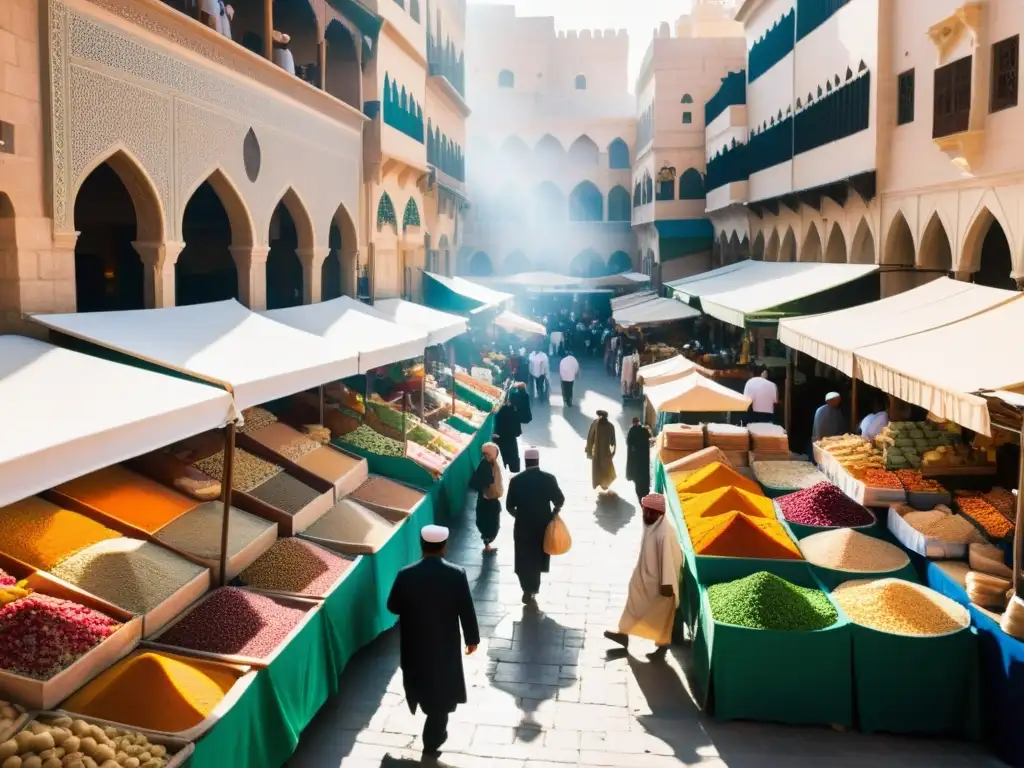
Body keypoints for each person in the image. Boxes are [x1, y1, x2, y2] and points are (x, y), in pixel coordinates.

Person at [387, 525, 480, 758]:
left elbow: (392, 606)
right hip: (444, 647)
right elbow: (466, 610)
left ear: (422, 545)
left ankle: (432, 726)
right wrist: (472, 639)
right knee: (442, 692)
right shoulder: (456, 574)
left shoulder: (405, 574)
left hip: (414, 646)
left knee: (423, 686)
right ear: (444, 547)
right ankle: (433, 738)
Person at [604, 494, 683, 659]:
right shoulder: (651, 524)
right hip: (643, 578)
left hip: (659, 584)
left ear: (660, 514)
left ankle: (662, 647)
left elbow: (668, 561)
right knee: (633, 606)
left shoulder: (664, 533)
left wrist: (667, 584)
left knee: (659, 616)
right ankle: (623, 633)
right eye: (646, 512)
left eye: (652, 513)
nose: (647, 516)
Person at [506, 447, 566, 605]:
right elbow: (559, 499)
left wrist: (519, 516)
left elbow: (509, 506)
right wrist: (554, 512)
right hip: (543, 524)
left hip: (523, 526)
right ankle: (533, 588)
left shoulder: (516, 480)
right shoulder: (549, 479)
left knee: (524, 557)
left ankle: (526, 588)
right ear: (537, 461)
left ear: (526, 461)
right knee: (538, 556)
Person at [471, 443, 503, 553]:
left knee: (488, 522)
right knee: (490, 523)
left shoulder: (490, 464)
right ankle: (487, 544)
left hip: (488, 499)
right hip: (487, 500)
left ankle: (487, 544)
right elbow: (480, 481)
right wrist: (484, 489)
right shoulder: (486, 466)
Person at [586, 410, 617, 491]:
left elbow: (590, 438)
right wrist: (612, 452)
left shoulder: (595, 424)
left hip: (597, 452)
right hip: (604, 453)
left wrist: (589, 450)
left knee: (598, 469)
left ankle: (601, 484)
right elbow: (613, 442)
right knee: (605, 469)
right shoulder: (609, 426)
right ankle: (604, 484)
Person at [626, 417, 652, 502]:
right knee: (643, 473)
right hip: (642, 456)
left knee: (638, 474)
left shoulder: (632, 431)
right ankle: (644, 488)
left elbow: (629, 443)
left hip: (637, 456)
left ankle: (641, 487)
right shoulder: (643, 430)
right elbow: (649, 437)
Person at [493, 399, 522, 473]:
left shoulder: (496, 414)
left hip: (499, 442)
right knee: (513, 468)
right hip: (511, 443)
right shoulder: (514, 412)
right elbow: (518, 432)